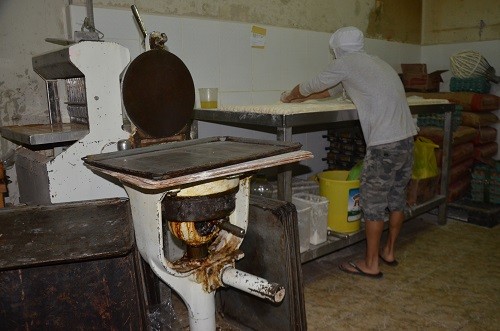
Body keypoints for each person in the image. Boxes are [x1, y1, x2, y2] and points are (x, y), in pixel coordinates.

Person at [281, 26, 417, 278]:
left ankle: (370, 264)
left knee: (373, 204)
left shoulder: (345, 62)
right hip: (407, 140)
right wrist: (303, 100)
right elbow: (331, 90)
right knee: (397, 198)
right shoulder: (375, 63)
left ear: (337, 49)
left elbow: (312, 84)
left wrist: (290, 96)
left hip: (384, 144)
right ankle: (388, 252)